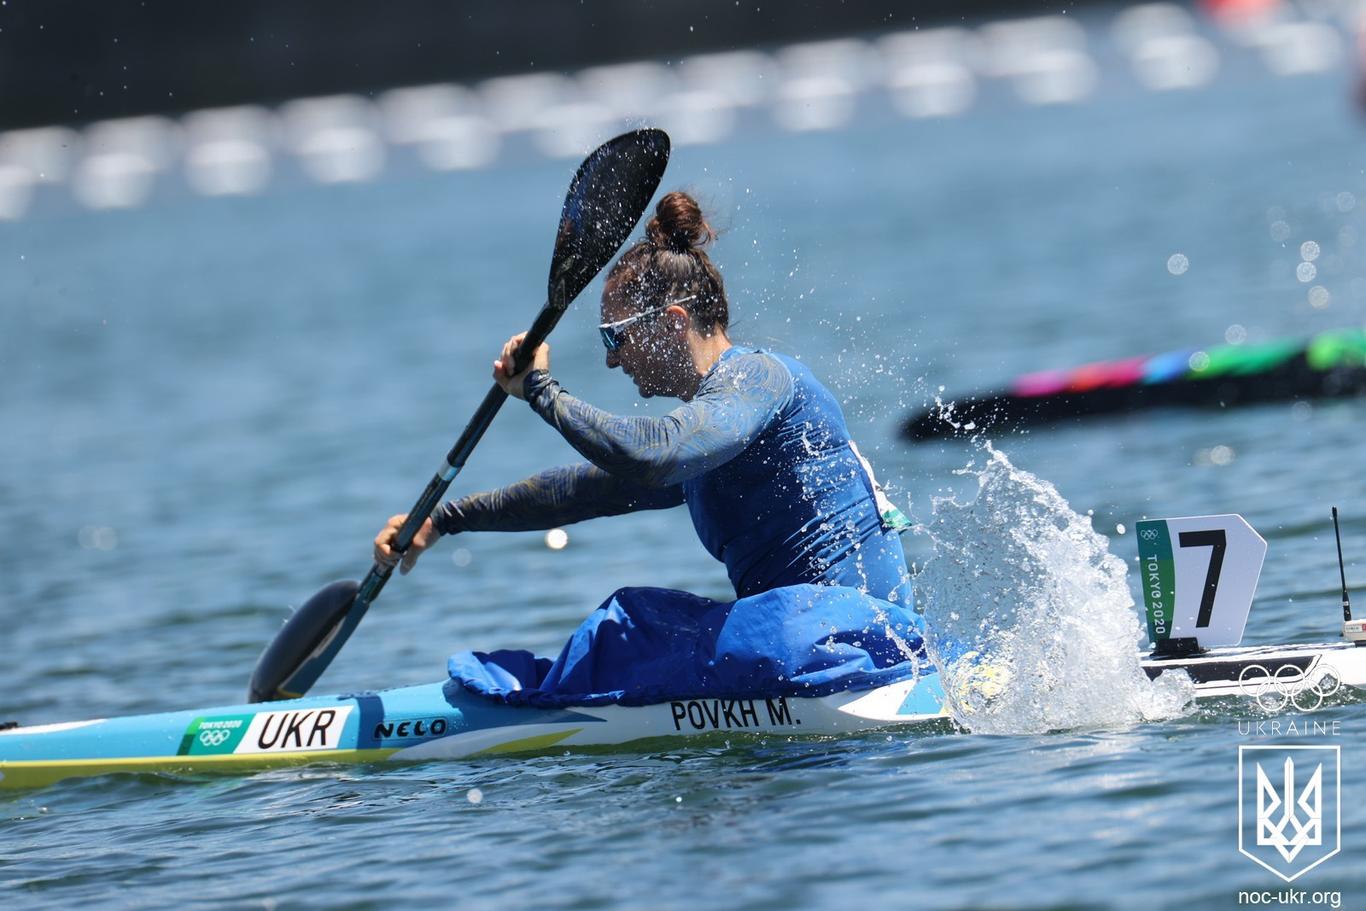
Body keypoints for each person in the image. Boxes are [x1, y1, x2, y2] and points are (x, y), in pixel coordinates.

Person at [374, 191, 923, 705]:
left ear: (674, 322)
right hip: (813, 644)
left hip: (853, 640)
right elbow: (578, 493)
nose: (612, 359)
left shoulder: (757, 379)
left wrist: (542, 391)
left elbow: (653, 453)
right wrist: (443, 520)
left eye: (616, 337)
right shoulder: (710, 430)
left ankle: (529, 701)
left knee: (628, 625)